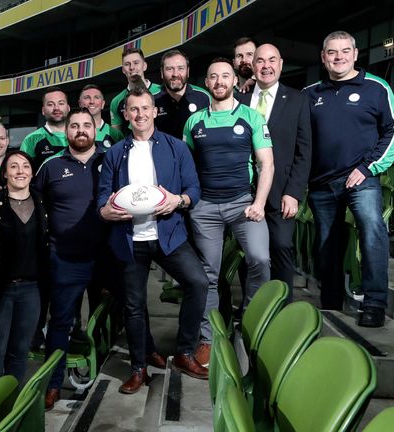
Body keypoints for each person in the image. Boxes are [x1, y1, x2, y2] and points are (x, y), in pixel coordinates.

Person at [98, 88, 208, 394]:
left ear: (154, 111)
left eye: (146, 108)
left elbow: (194, 189)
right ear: (126, 114)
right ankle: (138, 367)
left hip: (169, 235)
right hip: (130, 240)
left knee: (197, 283)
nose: (141, 114)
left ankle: (185, 352)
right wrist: (105, 211)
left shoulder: (176, 147)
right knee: (134, 304)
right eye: (134, 109)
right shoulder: (115, 154)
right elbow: (102, 197)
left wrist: (179, 200)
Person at [304, 31, 394, 327]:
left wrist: (368, 167)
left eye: (344, 51)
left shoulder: (376, 87)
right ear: (323, 57)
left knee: (372, 228)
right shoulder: (310, 93)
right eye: (332, 52)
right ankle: (332, 303)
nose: (339, 57)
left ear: (355, 54)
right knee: (326, 245)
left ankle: (374, 303)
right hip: (321, 183)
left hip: (361, 178)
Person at [183, 57, 274, 365]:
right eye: (213, 77)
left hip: (243, 204)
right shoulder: (194, 122)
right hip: (205, 207)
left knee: (260, 259)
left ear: (235, 81)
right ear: (206, 84)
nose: (219, 81)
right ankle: (208, 339)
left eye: (225, 76)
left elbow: (267, 163)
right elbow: (188, 166)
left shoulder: (252, 116)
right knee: (207, 274)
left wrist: (259, 202)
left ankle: (250, 325)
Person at [33, 108, 108, 409]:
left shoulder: (110, 158)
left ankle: (103, 367)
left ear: (95, 130)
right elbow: (32, 203)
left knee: (107, 317)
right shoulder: (51, 166)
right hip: (65, 257)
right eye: (74, 126)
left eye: (86, 125)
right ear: (65, 132)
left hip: (106, 256)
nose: (80, 130)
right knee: (62, 321)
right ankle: (54, 383)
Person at [237, 43, 312, 298]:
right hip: (244, 192)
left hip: (281, 193)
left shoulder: (298, 100)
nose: (266, 66)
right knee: (247, 252)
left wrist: (294, 192)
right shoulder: (239, 100)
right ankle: (252, 307)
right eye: (260, 61)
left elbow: (304, 150)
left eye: (272, 60)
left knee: (281, 247)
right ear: (253, 66)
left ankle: (282, 306)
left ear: (281, 64)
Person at [0, 151, 49, 386]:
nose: (20, 171)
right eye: (14, 167)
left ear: (32, 172)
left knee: (20, 351)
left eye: (25, 166)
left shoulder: (43, 201)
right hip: (1, 289)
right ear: (5, 174)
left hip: (31, 289)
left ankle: (12, 406)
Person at [154, 49, 211, 138]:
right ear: (162, 73)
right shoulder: (152, 99)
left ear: (187, 71)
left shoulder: (204, 97)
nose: (175, 74)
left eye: (180, 68)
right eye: (169, 69)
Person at [110, 47, 162, 133]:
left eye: (136, 63)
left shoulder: (162, 92)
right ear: (123, 70)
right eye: (127, 64)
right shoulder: (116, 101)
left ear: (144, 66)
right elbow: (117, 136)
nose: (132, 67)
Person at [20, 87, 70, 168]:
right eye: (50, 104)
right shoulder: (31, 139)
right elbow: (23, 172)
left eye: (61, 103)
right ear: (43, 110)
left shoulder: (79, 135)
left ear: (68, 108)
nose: (56, 108)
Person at [78, 84, 125, 151]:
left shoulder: (115, 135)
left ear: (103, 104)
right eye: (87, 98)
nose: (92, 102)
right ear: (79, 103)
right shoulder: (71, 133)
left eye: (96, 97)